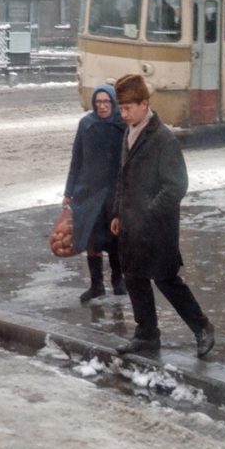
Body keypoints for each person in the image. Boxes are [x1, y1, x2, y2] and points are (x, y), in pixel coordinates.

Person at [110, 74, 215, 358]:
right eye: (121, 108)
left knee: (166, 279)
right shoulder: (129, 132)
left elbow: (177, 185)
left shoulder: (163, 138)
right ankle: (146, 335)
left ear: (144, 104)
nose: (123, 114)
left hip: (157, 227)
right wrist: (118, 212)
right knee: (134, 278)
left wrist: (150, 212)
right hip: (131, 224)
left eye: (128, 108)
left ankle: (202, 327)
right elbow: (123, 177)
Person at [63, 84, 127, 301]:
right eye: (98, 102)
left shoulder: (122, 125)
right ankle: (96, 285)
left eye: (106, 101)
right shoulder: (86, 124)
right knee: (92, 239)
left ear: (113, 102)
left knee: (115, 238)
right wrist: (68, 192)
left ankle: (118, 281)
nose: (102, 106)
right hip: (89, 192)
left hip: (114, 192)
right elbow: (77, 159)